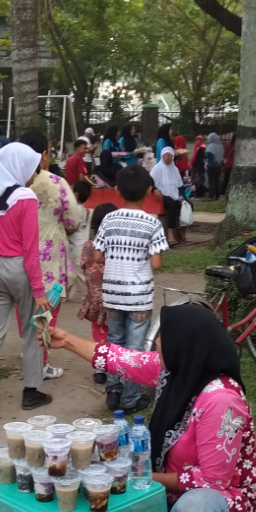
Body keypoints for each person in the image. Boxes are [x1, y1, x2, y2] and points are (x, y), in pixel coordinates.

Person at [43, 304, 256, 512]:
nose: (157, 343)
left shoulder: (221, 400)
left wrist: (142, 476)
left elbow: (214, 479)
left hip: (221, 496)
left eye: (163, 337)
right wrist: (66, 340)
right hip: (168, 483)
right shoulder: (175, 370)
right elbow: (119, 360)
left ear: (185, 345)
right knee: (106, 464)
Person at [0, 143, 53, 421]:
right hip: (19, 269)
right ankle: (31, 391)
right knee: (31, 330)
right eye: (31, 169)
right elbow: (31, 251)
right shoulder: (26, 197)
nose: (31, 175)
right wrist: (39, 291)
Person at [92, 166, 168, 412]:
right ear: (148, 190)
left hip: (112, 293)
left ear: (117, 190)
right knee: (135, 347)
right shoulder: (152, 223)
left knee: (114, 340)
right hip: (139, 297)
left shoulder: (108, 219)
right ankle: (131, 399)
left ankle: (113, 392)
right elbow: (156, 263)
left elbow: (97, 257)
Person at [18, 128, 81, 380]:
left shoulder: (12, 183)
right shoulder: (56, 183)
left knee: (24, 309)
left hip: (18, 257)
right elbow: (73, 220)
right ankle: (40, 363)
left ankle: (29, 353)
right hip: (50, 258)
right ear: (44, 155)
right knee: (46, 312)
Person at [78, 202, 117, 383]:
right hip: (115, 298)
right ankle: (114, 368)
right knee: (115, 334)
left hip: (94, 298)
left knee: (99, 335)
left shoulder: (88, 246)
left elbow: (85, 268)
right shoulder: (118, 246)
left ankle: (99, 369)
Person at [151, 145, 185, 246]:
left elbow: (180, 185)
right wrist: (155, 190)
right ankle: (170, 234)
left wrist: (182, 196)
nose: (168, 157)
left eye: (170, 155)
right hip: (161, 195)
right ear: (162, 156)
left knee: (185, 204)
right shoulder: (157, 168)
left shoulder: (174, 169)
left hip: (174, 194)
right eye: (166, 155)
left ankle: (181, 232)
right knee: (171, 204)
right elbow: (150, 182)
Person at [68, 179, 93, 291]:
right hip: (79, 244)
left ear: (76, 194)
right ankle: (68, 294)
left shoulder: (75, 209)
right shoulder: (82, 208)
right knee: (72, 270)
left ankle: (92, 292)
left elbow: (72, 227)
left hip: (76, 246)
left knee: (77, 272)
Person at [205, 132, 224, 199]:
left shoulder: (211, 146)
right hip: (219, 165)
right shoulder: (220, 145)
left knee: (211, 181)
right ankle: (217, 195)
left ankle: (211, 196)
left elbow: (206, 155)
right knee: (217, 180)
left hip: (211, 165)